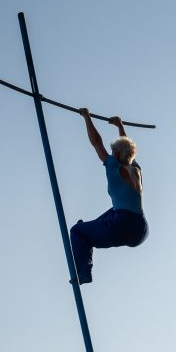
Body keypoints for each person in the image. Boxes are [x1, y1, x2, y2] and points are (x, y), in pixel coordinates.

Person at [69, 108, 148, 284]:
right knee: (112, 211)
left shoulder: (114, 166)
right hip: (141, 229)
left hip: (122, 225)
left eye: (114, 153)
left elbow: (96, 143)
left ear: (118, 155)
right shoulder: (137, 169)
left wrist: (86, 117)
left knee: (77, 231)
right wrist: (120, 125)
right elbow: (127, 147)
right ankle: (90, 228)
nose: (111, 155)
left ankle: (84, 272)